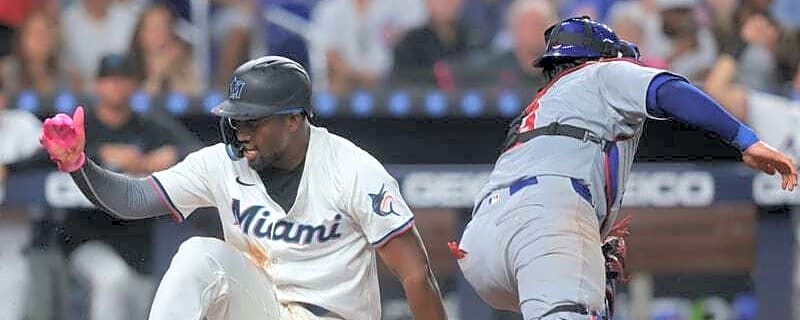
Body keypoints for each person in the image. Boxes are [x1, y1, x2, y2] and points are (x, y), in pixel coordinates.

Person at [39, 56, 448, 320]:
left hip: (332, 314)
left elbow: (417, 274)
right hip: (264, 307)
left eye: (254, 121)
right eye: (237, 120)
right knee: (198, 254)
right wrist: (78, 164)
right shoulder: (223, 161)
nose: (241, 131)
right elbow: (132, 198)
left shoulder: (353, 169)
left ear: (294, 120)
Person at [452, 16, 797, 320]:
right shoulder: (600, 72)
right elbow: (669, 90)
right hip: (544, 222)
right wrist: (746, 140)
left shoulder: (537, 110)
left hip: (481, 248)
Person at [60, 54, 196, 320]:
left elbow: (195, 148)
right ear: (98, 85)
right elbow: (42, 154)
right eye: (110, 80)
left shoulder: (147, 126)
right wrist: (97, 154)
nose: (116, 87)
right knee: (112, 281)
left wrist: (172, 154)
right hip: (87, 237)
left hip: (137, 245)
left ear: (134, 85)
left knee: (141, 305)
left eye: (123, 80)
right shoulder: (83, 126)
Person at [392, 0, 473, 86]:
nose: (448, 2)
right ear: (428, 2)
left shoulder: (473, 38)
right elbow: (403, 83)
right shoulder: (410, 43)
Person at [129, 4, 200, 96]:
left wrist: (173, 70)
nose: (156, 34)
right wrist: (157, 76)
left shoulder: (186, 63)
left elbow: (193, 97)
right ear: (140, 34)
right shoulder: (129, 67)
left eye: (162, 27)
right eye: (151, 28)